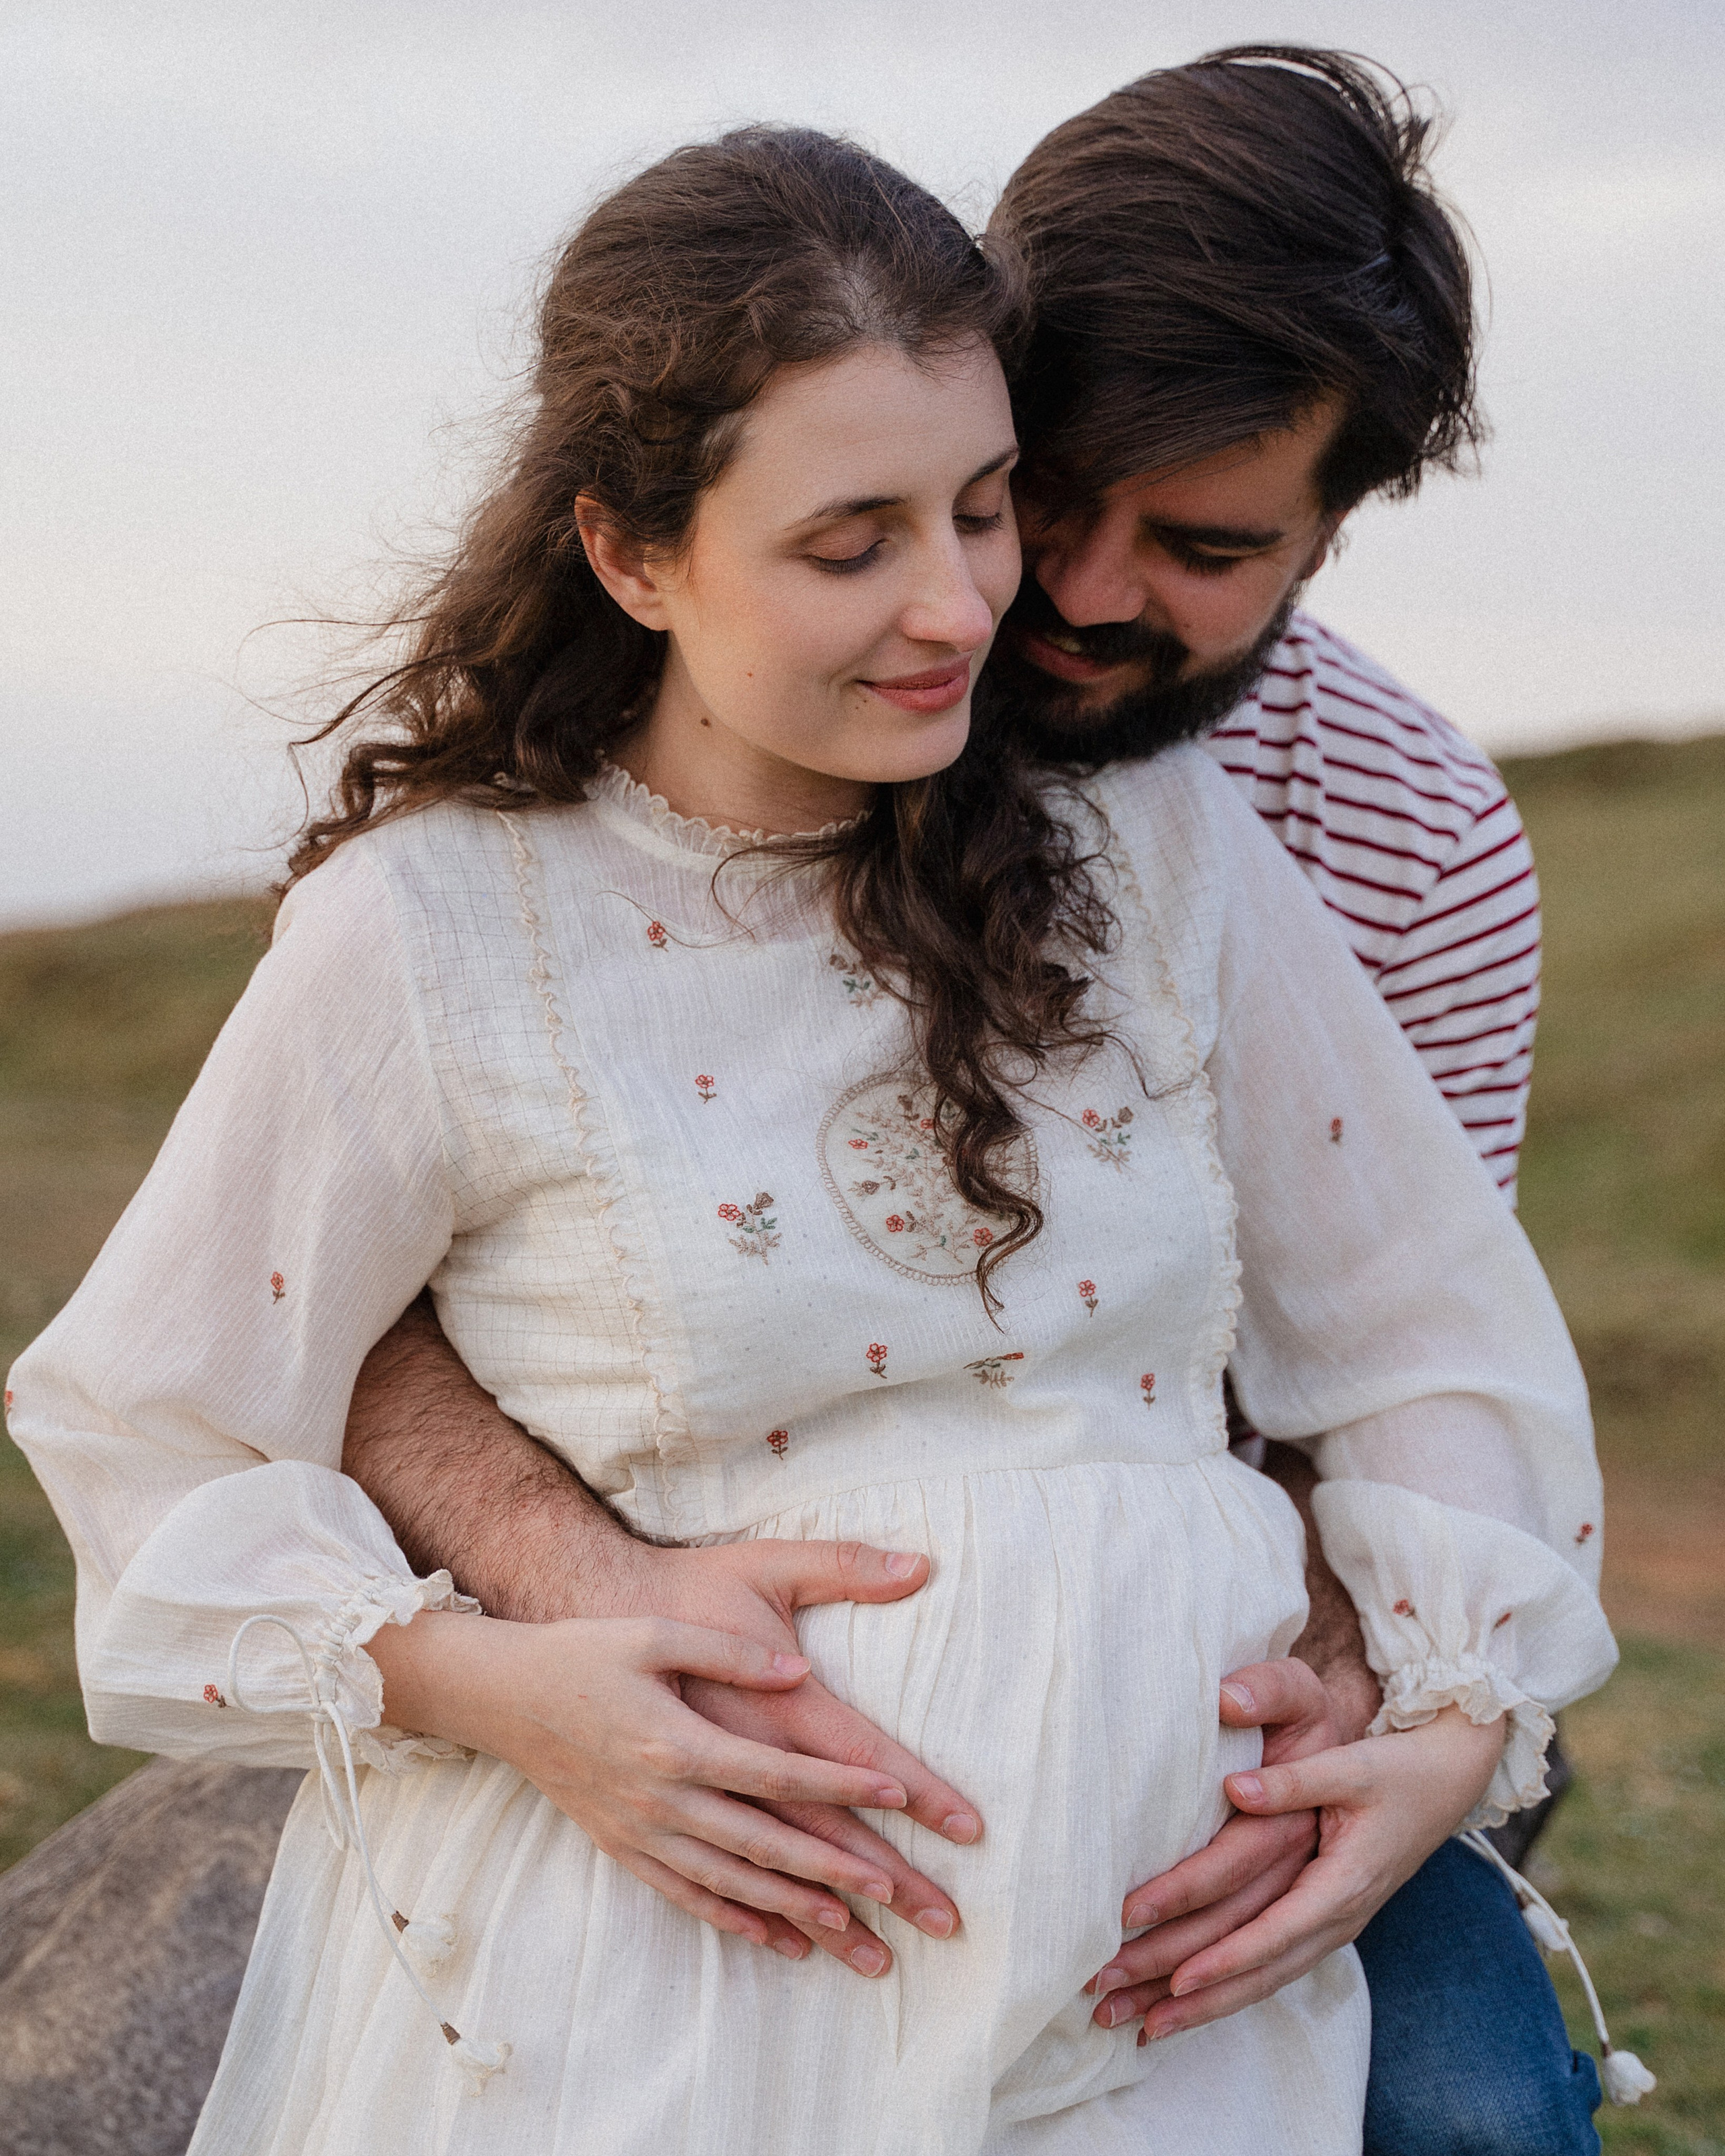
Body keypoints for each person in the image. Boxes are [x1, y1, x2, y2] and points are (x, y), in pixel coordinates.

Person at [9, 125, 1615, 2154]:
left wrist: (1434, 1704)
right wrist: (515, 1672)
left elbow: (1423, 1331)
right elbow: (171, 1406)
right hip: (675, 1960)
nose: (983, 607)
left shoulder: (1205, 834)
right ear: (632, 550)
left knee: (1479, 2114)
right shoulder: (440, 922)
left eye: (976, 514)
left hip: (1160, 1969)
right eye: (863, 540)